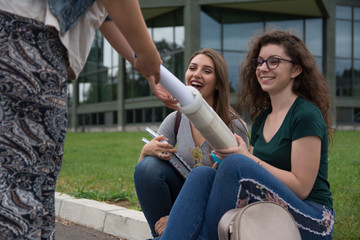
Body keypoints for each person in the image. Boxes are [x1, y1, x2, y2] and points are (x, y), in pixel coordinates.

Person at [0, 1, 177, 239]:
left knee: (36, 183)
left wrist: (148, 69)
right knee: (19, 186)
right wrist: (147, 52)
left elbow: (105, 17)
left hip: (37, 47)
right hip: (27, 40)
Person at [159, 30, 335, 240]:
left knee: (237, 164)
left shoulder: (306, 115)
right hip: (270, 210)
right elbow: (258, 172)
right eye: (259, 62)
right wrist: (230, 160)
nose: (263, 68)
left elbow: (301, 188)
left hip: (312, 220)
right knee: (203, 174)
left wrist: (247, 159)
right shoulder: (262, 119)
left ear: (296, 69)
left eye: (274, 61)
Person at [134, 48, 250, 239]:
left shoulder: (234, 127)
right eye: (193, 68)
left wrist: (175, 217)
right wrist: (146, 152)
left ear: (219, 83)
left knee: (203, 174)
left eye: (207, 71)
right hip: (180, 195)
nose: (196, 74)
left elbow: (234, 190)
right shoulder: (175, 120)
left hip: (216, 205)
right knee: (149, 167)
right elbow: (144, 177)